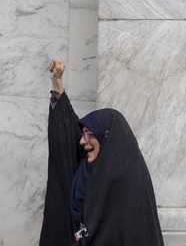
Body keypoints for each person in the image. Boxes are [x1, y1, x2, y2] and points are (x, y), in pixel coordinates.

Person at [39, 57, 165, 246]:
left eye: (90, 134)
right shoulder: (86, 166)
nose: (83, 141)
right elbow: (65, 134)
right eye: (83, 134)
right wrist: (57, 83)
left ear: (107, 137)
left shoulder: (129, 177)